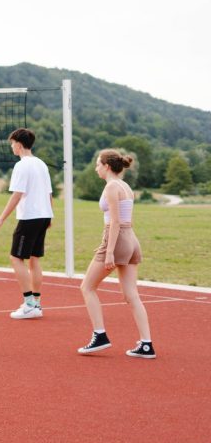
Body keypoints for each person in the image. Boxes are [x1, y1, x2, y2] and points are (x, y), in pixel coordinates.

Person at [77, 150, 155, 358]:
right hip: (131, 239)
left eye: (98, 164)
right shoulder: (125, 186)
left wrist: (110, 251)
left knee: (87, 287)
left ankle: (100, 336)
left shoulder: (111, 187)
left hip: (118, 238)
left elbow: (115, 222)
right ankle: (146, 344)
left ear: (107, 166)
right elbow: (125, 221)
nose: (96, 168)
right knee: (131, 295)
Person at [0, 127, 54, 319]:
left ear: (18, 144)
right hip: (43, 215)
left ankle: (29, 305)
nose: (11, 147)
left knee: (16, 258)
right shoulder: (41, 164)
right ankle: (36, 303)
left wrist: (1, 219)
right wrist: (49, 216)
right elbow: (49, 193)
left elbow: (17, 195)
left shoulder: (22, 165)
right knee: (34, 259)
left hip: (30, 217)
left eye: (12, 144)